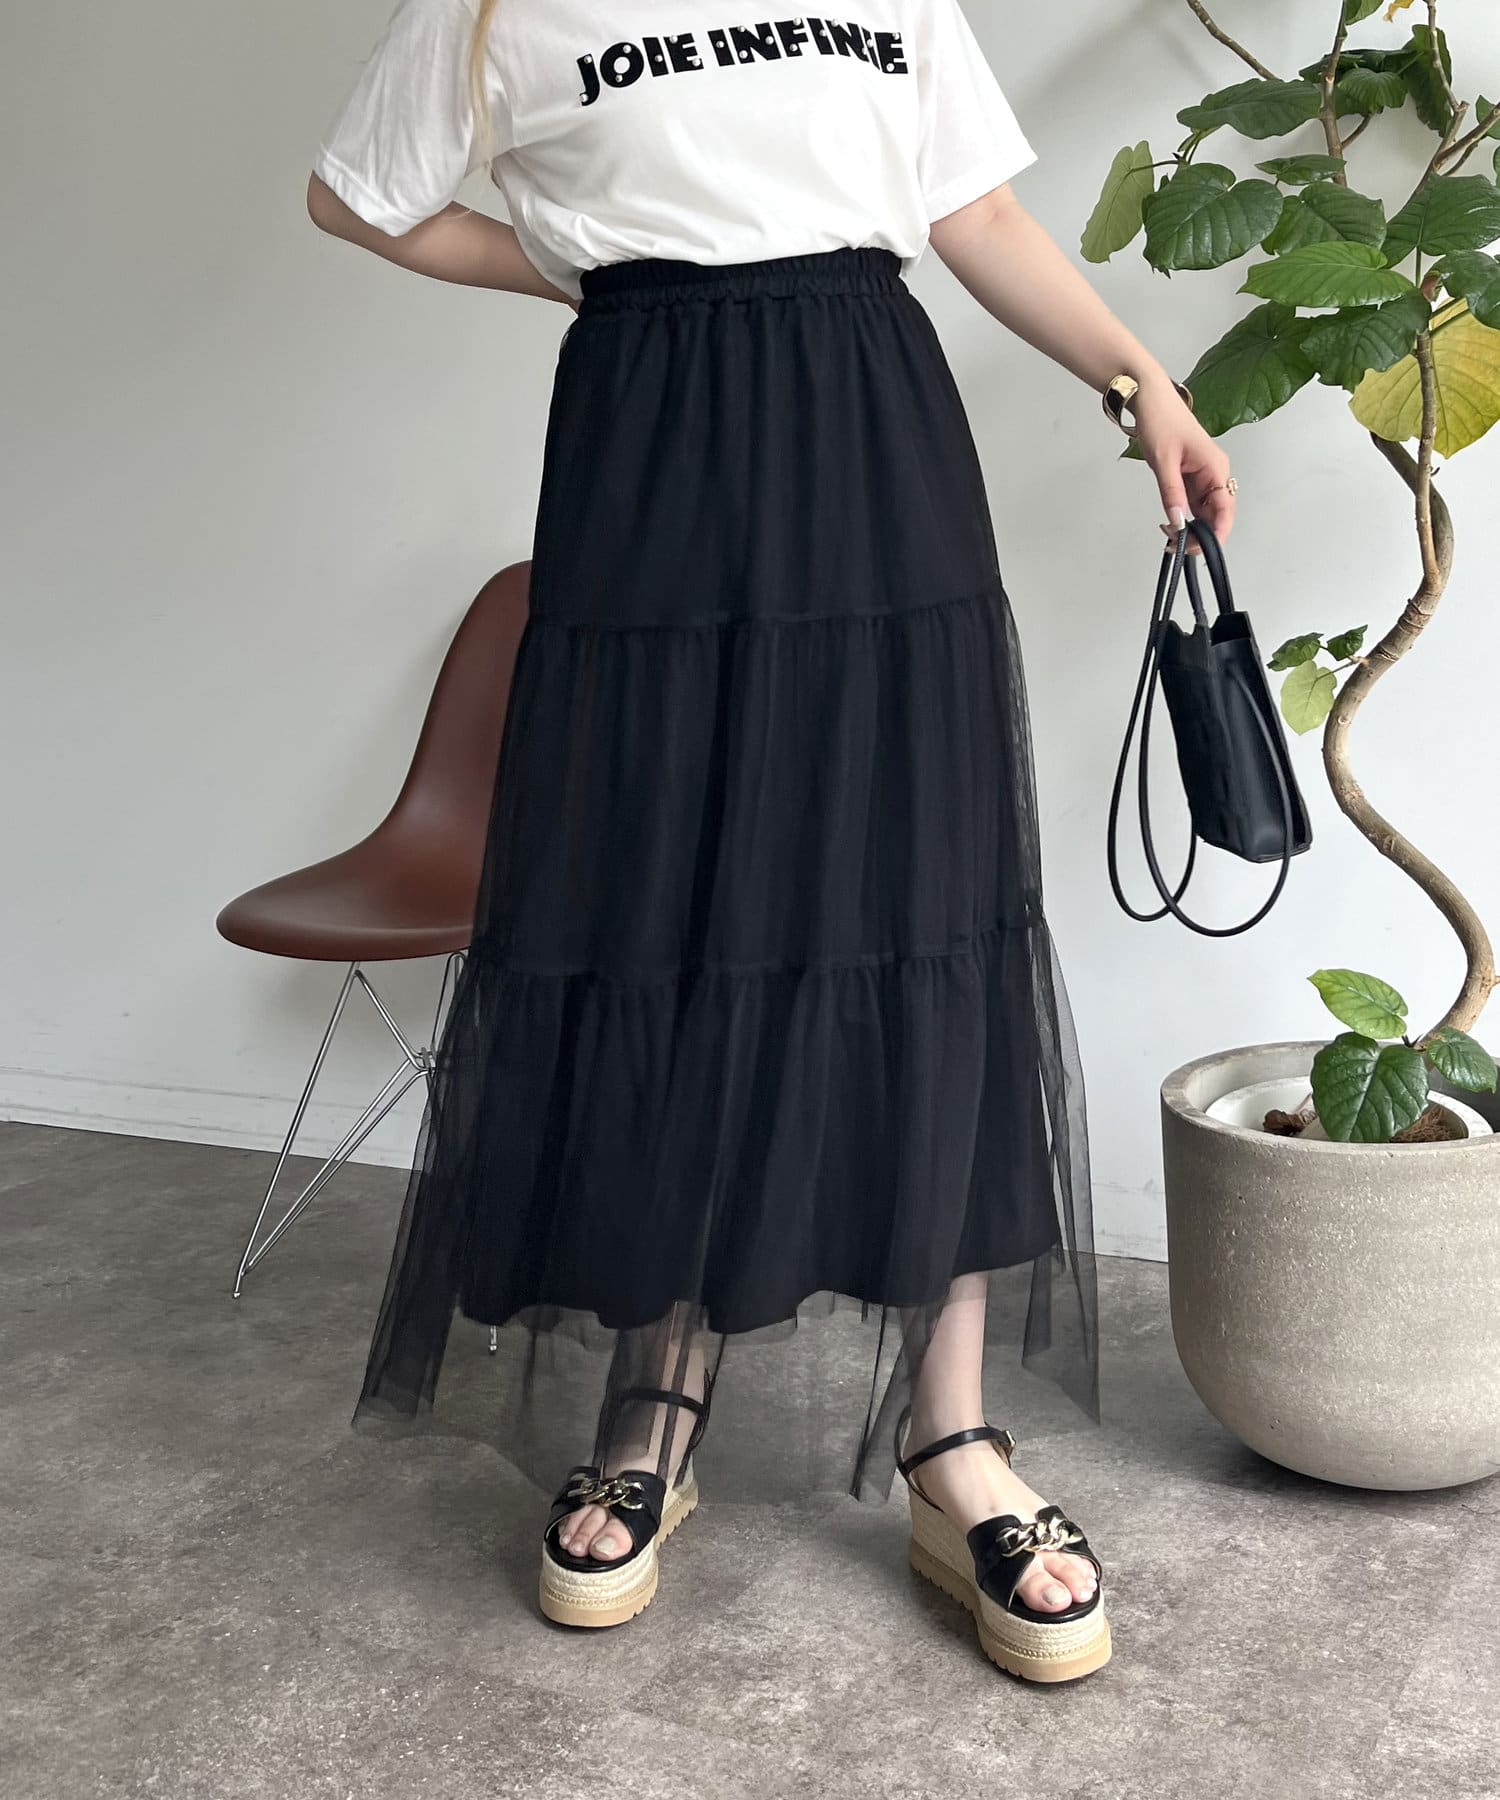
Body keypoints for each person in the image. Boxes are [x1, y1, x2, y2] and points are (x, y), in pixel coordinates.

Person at [306, 0, 1235, 1686]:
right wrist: (584, 260)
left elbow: (976, 211)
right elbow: (358, 199)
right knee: (666, 907)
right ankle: (656, 1404)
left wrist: (1142, 381)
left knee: (923, 905)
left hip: (878, 441)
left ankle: (951, 1440)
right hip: (650, 454)